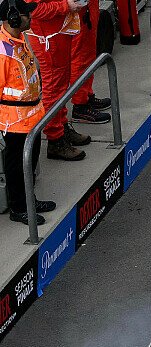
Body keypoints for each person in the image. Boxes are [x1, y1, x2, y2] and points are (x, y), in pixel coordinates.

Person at [0, 0, 56, 225]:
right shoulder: (3, 52)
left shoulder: (20, 39)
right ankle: (19, 208)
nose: (31, 17)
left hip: (32, 116)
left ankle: (28, 199)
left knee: (30, 162)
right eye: (26, 15)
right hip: (14, 123)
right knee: (16, 166)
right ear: (14, 18)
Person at [26, 0, 90, 161]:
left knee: (61, 85)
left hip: (58, 30)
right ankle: (55, 139)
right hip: (48, 36)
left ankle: (61, 127)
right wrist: (66, 6)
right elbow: (34, 9)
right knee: (54, 87)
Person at [69, 0, 111, 125]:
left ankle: (86, 96)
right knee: (80, 56)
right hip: (78, 8)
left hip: (86, 7)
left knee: (88, 52)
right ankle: (80, 105)